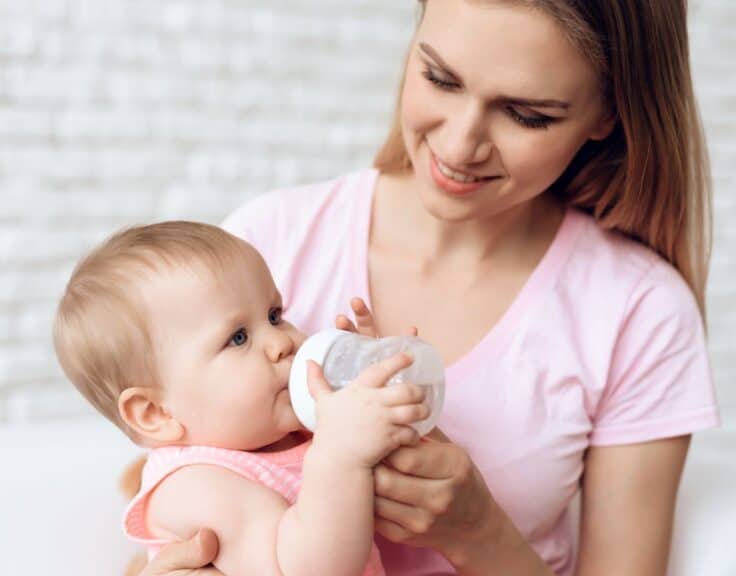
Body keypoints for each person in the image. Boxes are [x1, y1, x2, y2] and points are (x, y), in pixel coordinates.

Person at [140, 0, 720, 574]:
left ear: (609, 113)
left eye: (527, 115)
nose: (461, 145)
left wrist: (478, 532)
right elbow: (179, 504)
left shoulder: (639, 311)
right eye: (440, 77)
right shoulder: (262, 250)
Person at [54, 221, 432, 575]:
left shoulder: (295, 430)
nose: (281, 342)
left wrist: (365, 385)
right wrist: (341, 453)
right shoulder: (194, 483)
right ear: (155, 413)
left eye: (274, 315)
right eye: (238, 338)